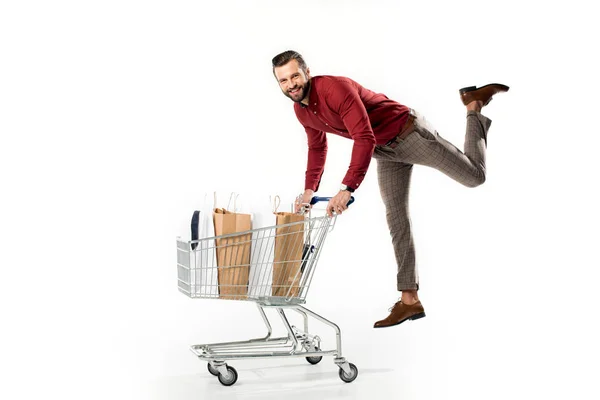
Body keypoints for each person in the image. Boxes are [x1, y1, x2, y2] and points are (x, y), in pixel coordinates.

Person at [272, 50, 508, 328]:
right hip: (384, 151)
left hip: (408, 133)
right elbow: (317, 146)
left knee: (475, 176)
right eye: (284, 80)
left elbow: (363, 135)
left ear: (307, 72)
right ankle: (410, 300)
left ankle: (474, 105)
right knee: (396, 218)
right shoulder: (301, 110)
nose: (291, 85)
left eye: (295, 76)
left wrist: (347, 187)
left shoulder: (335, 89)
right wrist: (310, 189)